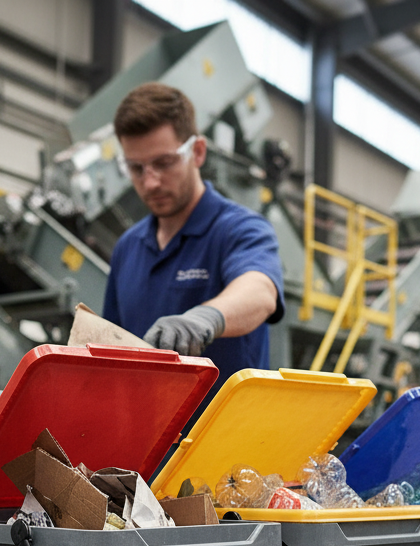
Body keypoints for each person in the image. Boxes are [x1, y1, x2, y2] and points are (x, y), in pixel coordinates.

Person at [102, 83, 284, 397]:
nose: (150, 181)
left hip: (223, 440)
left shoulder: (240, 229)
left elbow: (260, 291)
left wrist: (204, 319)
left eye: (164, 163)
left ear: (197, 152)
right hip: (148, 441)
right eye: (136, 168)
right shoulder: (128, 247)